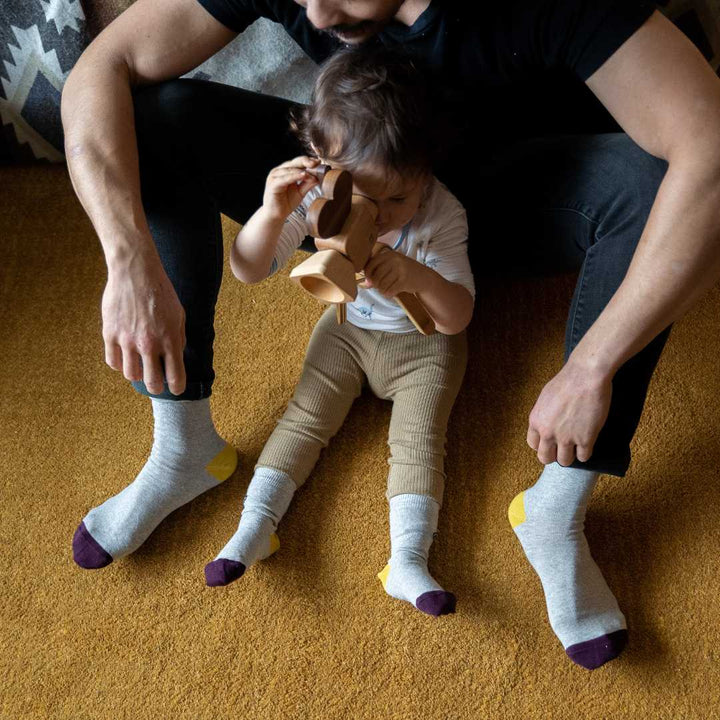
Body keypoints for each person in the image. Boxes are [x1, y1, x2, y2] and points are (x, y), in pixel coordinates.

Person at [62, 0, 720, 670]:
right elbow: (104, 66)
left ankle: (560, 499)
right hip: (355, 177)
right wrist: (129, 258)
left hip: (504, 198)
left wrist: (593, 365)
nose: (315, 13)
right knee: (157, 116)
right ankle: (183, 445)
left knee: (656, 184)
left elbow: (711, 148)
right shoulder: (317, 19)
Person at [203, 47, 474, 619]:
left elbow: (457, 317)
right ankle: (256, 525)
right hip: (349, 332)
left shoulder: (442, 213)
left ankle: (407, 558)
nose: (382, 212)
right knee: (303, 417)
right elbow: (250, 268)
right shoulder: (323, 196)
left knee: (418, 443)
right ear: (322, 161)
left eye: (400, 196)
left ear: (427, 171)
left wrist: (420, 275)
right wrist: (274, 213)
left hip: (424, 346)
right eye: (366, 196)